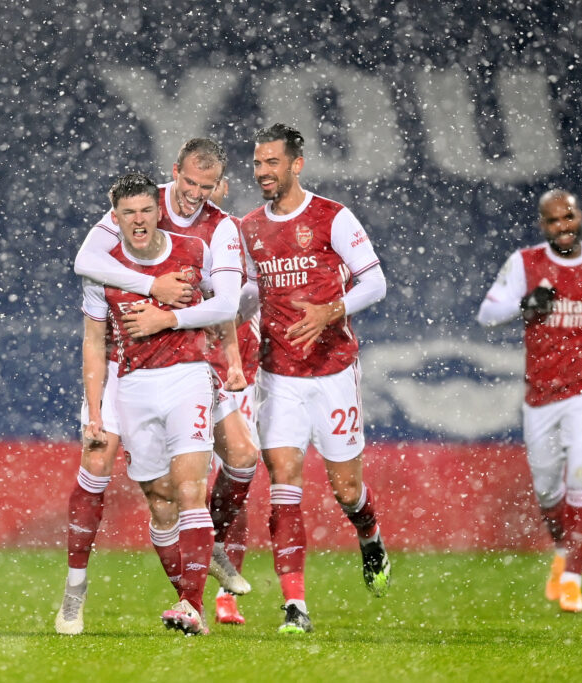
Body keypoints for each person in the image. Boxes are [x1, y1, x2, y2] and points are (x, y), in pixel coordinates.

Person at [57, 139, 258, 634]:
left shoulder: (216, 234)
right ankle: (75, 591)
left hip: (191, 364)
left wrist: (177, 321)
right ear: (174, 175)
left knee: (233, 462)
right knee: (141, 486)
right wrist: (152, 288)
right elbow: (85, 262)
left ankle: (196, 586)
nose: (192, 195)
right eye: (187, 183)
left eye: (204, 188)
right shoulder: (140, 207)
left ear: (220, 188)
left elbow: (226, 301)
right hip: (123, 368)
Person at [240, 123, 390, 634]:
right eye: (257, 163)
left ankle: (368, 535)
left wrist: (331, 311)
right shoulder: (248, 229)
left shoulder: (332, 217)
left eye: (272, 163)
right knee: (283, 481)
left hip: (333, 372)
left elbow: (376, 281)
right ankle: (295, 607)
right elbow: (245, 296)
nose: (262, 172)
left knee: (347, 490)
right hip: (277, 374)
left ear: (296, 164)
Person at [478, 189, 582, 613]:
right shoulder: (526, 263)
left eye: (567, 218)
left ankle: (572, 580)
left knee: (581, 472)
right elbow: (487, 313)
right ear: (542, 225)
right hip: (541, 396)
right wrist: (524, 303)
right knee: (549, 491)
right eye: (553, 221)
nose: (562, 227)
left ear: (578, 216)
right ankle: (564, 553)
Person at [207, 176, 261, 626]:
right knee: (182, 486)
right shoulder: (169, 232)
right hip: (185, 367)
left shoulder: (240, 234)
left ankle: (227, 591)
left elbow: (256, 296)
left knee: (236, 473)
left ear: (224, 187)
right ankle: (191, 580)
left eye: (212, 186)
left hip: (239, 371)